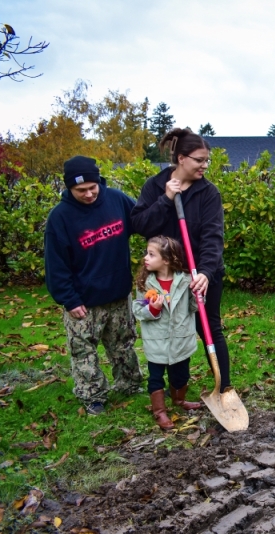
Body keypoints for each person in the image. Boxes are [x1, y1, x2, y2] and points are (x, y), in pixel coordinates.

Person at [131, 128, 233, 393]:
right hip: (164, 275)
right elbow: (140, 224)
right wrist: (165, 200)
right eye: (199, 159)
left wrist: (206, 274)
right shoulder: (154, 186)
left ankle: (225, 388)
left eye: (207, 159)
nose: (205, 165)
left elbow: (213, 237)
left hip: (200, 274)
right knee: (164, 326)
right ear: (181, 158)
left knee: (209, 326)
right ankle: (168, 387)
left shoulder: (209, 193)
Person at [45, 155, 144, 415]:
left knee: (123, 344)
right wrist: (69, 299)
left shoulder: (117, 199)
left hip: (118, 293)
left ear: (99, 181)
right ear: (69, 188)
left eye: (92, 187)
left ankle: (130, 385)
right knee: (84, 352)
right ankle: (93, 396)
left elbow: (143, 223)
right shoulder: (60, 217)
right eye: (81, 190)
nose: (88, 194)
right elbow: (56, 265)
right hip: (84, 301)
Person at [132, 236, 202, 431]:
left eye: (151, 254)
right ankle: (159, 411)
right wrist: (152, 309)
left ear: (167, 260)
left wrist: (198, 296)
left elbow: (193, 307)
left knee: (181, 374)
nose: (145, 258)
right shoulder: (146, 283)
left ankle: (179, 399)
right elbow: (137, 309)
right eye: (147, 253)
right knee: (156, 377)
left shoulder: (186, 280)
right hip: (157, 341)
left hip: (181, 339)